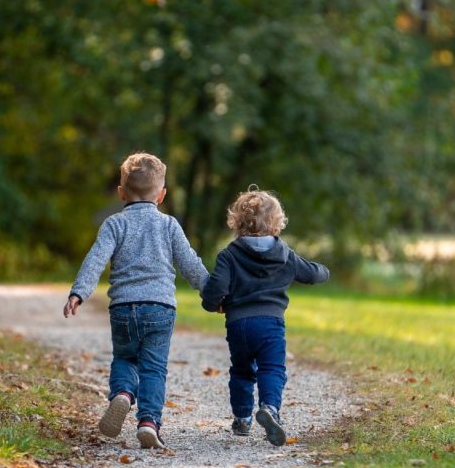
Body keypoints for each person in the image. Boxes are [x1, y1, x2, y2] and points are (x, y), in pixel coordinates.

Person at [63, 152, 208, 449]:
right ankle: (149, 422)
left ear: (121, 192)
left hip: (123, 308)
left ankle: (123, 394)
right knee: (153, 367)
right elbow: (189, 264)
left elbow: (95, 260)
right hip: (160, 308)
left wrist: (79, 292)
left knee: (125, 357)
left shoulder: (114, 224)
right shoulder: (169, 225)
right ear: (162, 195)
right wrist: (212, 292)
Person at [200, 186, 329, 446]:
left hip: (238, 325)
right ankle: (270, 408)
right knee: (272, 368)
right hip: (271, 324)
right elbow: (313, 274)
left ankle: (242, 418)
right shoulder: (285, 255)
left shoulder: (229, 255)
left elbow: (216, 290)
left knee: (241, 370)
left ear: (237, 222)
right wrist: (325, 271)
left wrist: (214, 305)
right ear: (277, 223)